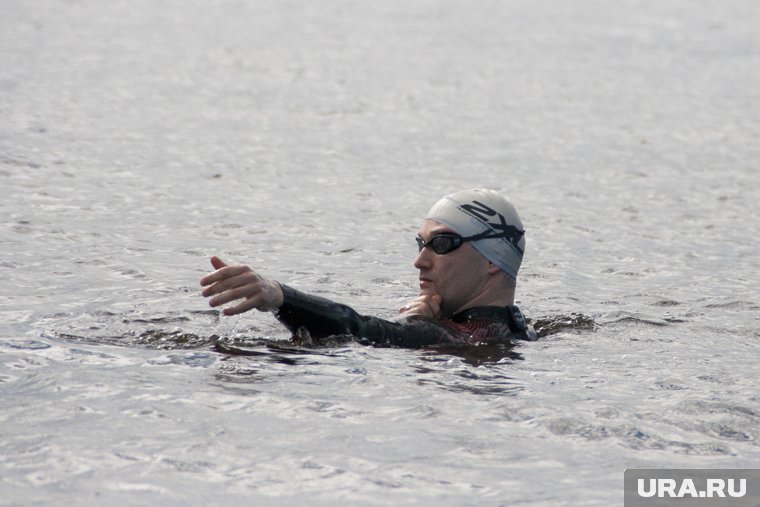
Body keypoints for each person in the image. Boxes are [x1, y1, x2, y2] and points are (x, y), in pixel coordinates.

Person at [200, 189, 537, 347]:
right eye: (421, 245)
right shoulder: (521, 332)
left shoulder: (454, 338)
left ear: (493, 259)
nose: (420, 261)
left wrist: (279, 296)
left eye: (442, 244)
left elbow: (356, 327)